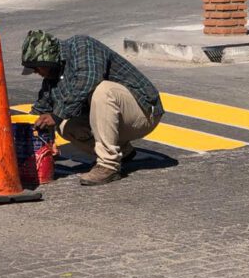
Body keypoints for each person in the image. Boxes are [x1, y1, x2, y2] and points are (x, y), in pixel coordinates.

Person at [21, 29, 164, 186]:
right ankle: (124, 152)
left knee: (103, 90)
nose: (35, 72)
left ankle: (108, 165)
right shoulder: (52, 76)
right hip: (118, 118)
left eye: (37, 68)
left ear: (48, 60)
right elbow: (41, 110)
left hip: (143, 111)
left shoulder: (82, 46)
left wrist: (56, 116)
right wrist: (30, 136)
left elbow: (87, 80)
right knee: (65, 126)